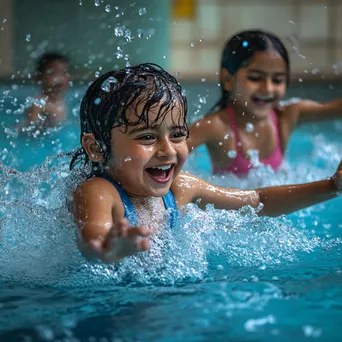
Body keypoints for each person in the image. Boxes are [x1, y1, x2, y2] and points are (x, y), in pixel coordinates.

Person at [69, 63, 341, 264]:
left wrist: (331, 186)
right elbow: (92, 236)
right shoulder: (99, 192)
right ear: (96, 148)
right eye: (147, 137)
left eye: (177, 135)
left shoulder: (181, 189)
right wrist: (109, 248)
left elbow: (258, 199)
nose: (168, 150)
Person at [187, 30, 342, 176]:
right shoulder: (216, 126)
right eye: (255, 78)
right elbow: (170, 149)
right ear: (228, 80)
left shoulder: (286, 117)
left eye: (277, 80)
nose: (267, 88)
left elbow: (335, 109)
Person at [24, 52, 70, 130]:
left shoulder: (64, 102)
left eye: (63, 73)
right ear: (39, 77)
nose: (58, 79)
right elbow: (30, 131)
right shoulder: (38, 104)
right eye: (52, 73)